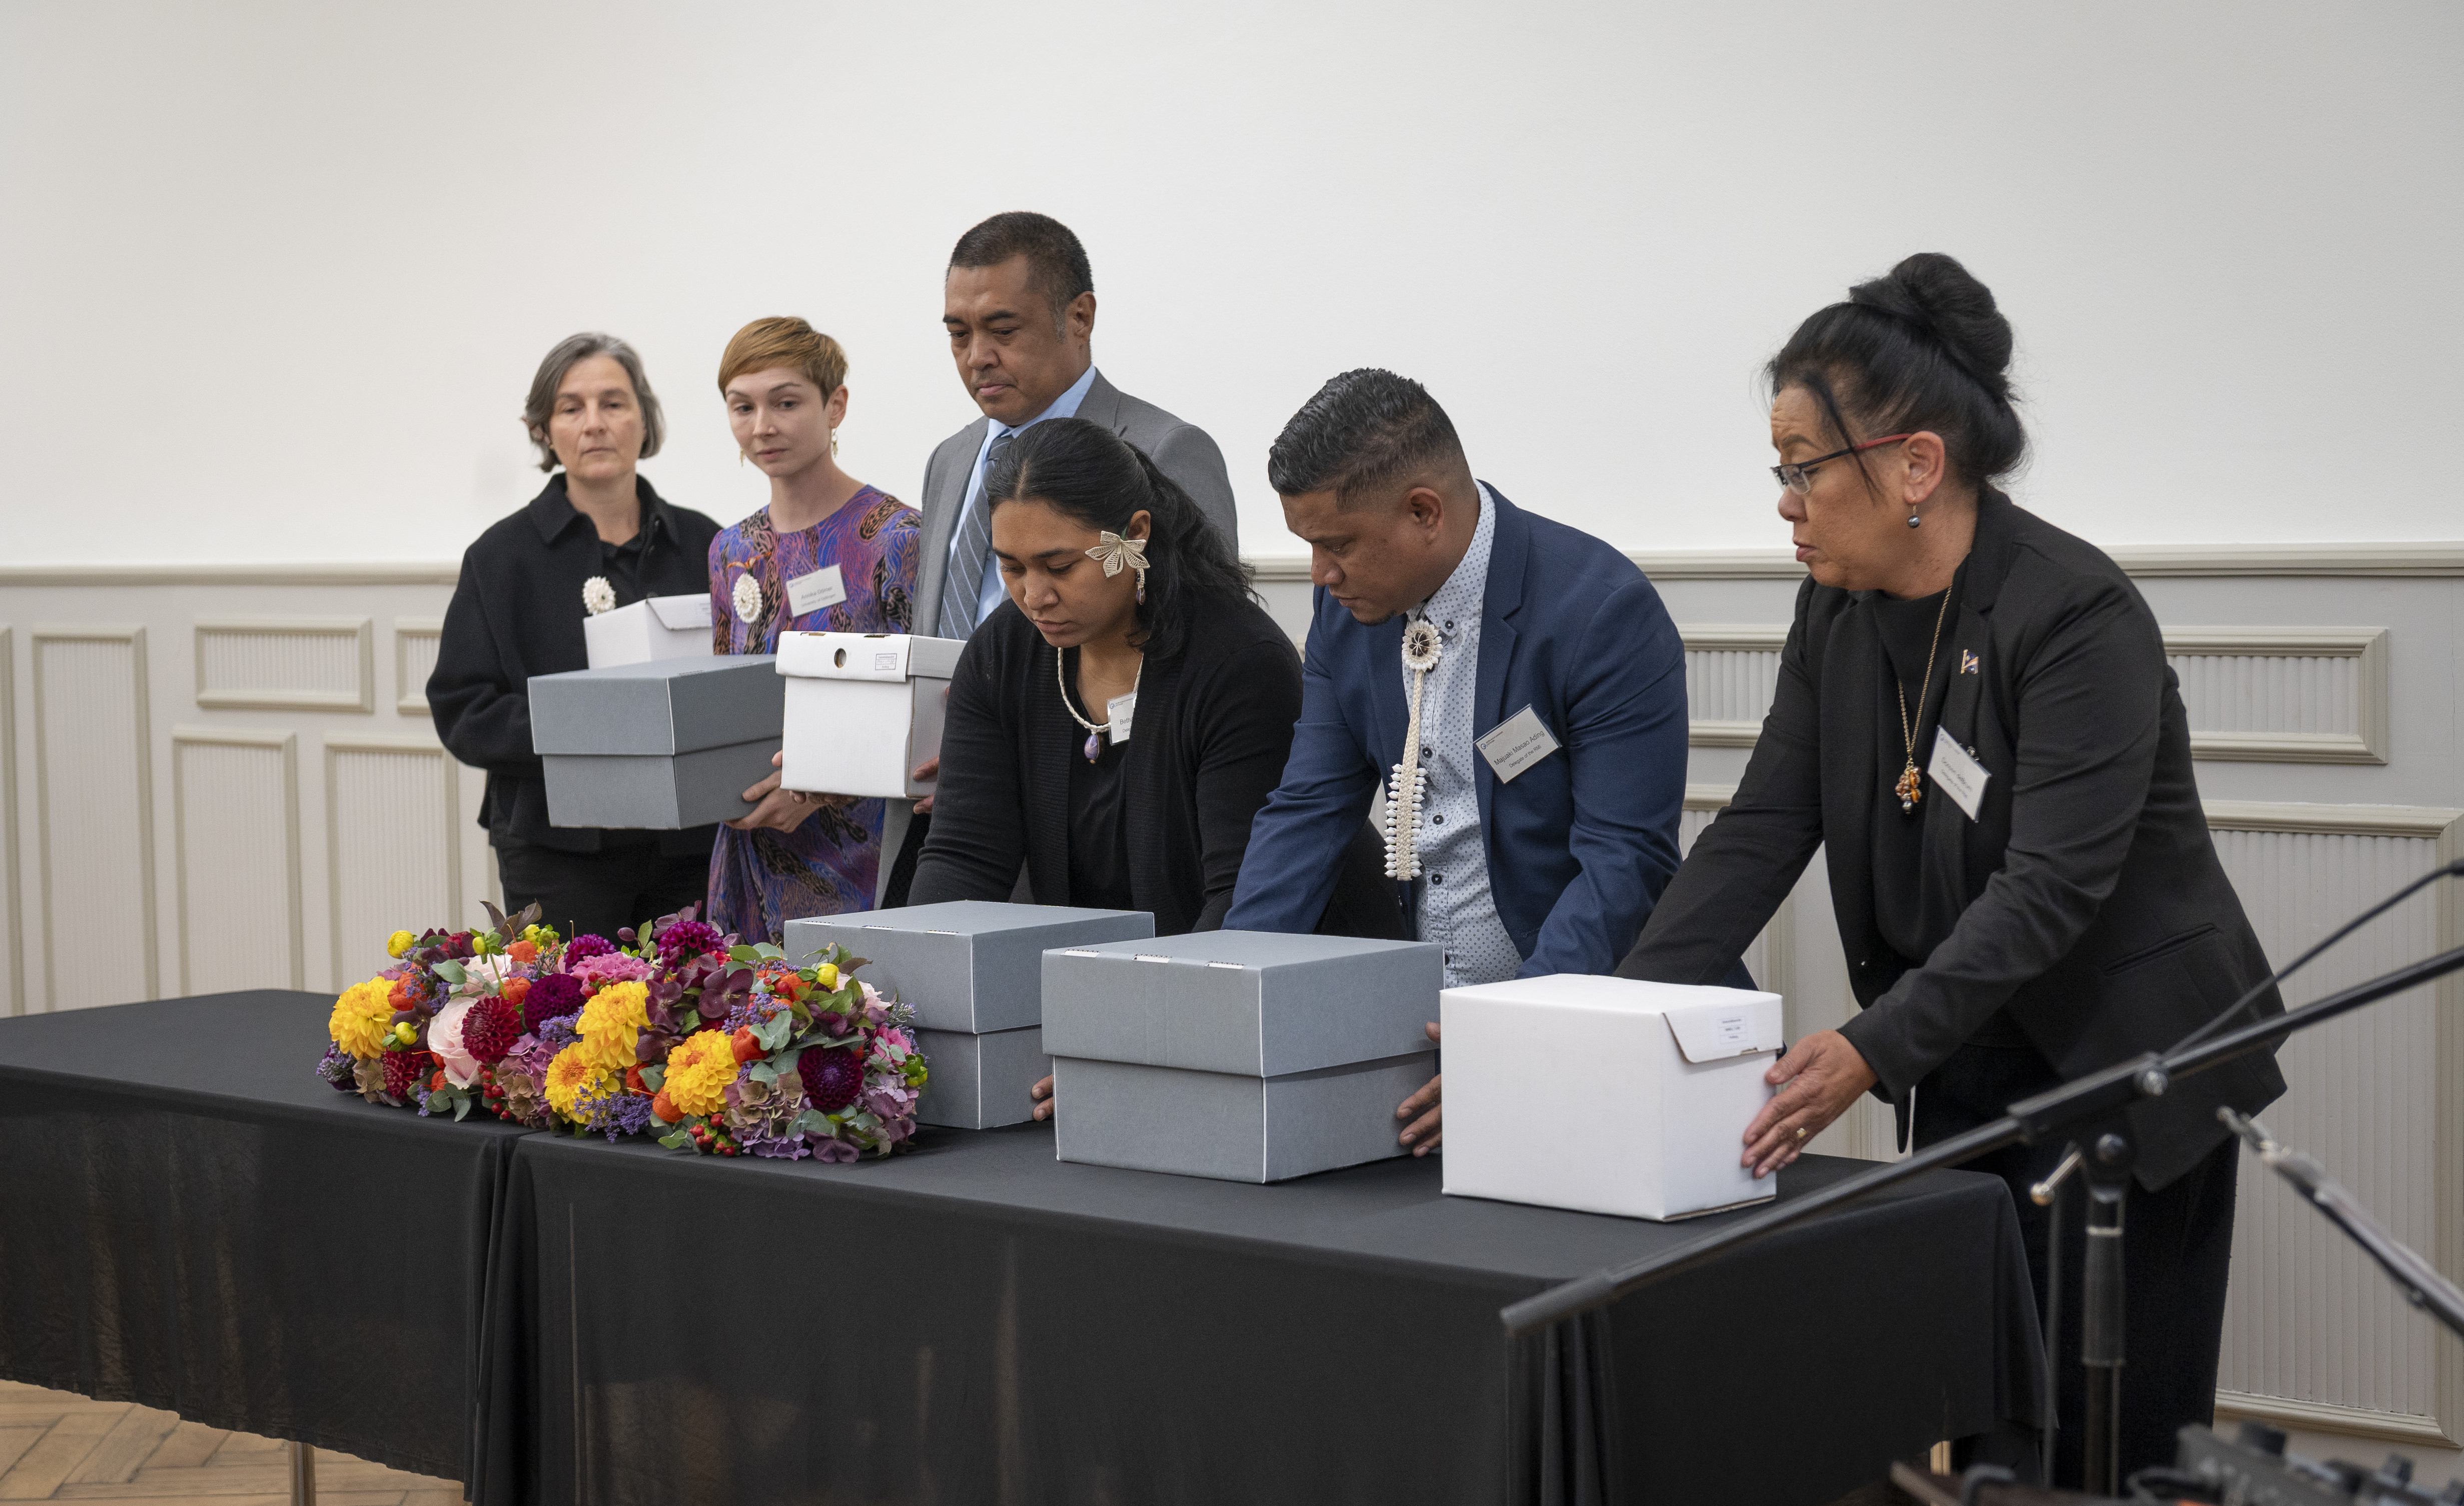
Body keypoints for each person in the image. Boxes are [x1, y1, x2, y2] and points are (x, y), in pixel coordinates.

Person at [1611, 253, 2286, 1484]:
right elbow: (1761, 828)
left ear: (1913, 466)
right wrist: (1612, 1015)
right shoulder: (1836, 611)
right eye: (1781, 470)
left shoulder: (2076, 616)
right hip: (1967, 1057)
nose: (1784, 501)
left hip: (2120, 1077)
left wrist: (1868, 1047)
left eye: (1802, 467)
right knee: (1995, 1426)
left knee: (2104, 1440)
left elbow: (2050, 891)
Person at [1223, 368, 1715, 1137]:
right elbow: (1307, 809)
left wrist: (1511, 1033)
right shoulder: (1346, 609)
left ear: (1425, 511)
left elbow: (1624, 861)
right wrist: (1228, 988)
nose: (1319, 573)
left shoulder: (1599, 610)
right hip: (1426, 1039)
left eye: (1337, 544)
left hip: (1593, 1026)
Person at [910, 417, 1398, 1121]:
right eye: (1010, 567)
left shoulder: (1238, 662)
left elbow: (1239, 903)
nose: (1032, 594)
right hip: (1128, 1011)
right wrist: (890, 1009)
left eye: (1059, 565)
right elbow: (960, 861)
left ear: (1133, 533)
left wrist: (1128, 1039)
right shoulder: (1002, 652)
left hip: (1294, 1012)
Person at [886, 211, 1241, 901]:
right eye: (958, 334)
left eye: (1002, 329)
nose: (976, 355)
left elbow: (1197, 650)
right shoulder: (953, 459)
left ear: (1079, 317)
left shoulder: (1165, 450)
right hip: (952, 818)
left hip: (1098, 826)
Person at [430, 333, 722, 942]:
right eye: (571, 408)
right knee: (569, 1028)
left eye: (614, 403)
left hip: (689, 845)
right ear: (543, 429)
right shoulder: (499, 557)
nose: (595, 424)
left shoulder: (706, 545)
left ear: (645, 419)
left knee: (699, 1025)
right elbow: (465, 709)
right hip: (554, 848)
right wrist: (591, 725)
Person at [702, 317, 922, 944]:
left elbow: (924, 704)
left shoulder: (896, 537)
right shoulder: (730, 549)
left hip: (861, 847)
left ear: (836, 406)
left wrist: (819, 788)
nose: (762, 426)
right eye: (741, 407)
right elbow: (720, 696)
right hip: (750, 840)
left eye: (786, 402)